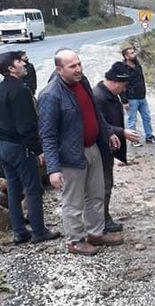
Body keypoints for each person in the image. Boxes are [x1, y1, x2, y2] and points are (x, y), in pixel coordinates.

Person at [38, 49, 123, 255]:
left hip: (92, 147)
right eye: (72, 66)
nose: (78, 69)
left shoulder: (82, 82)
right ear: (59, 69)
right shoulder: (50, 95)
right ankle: (75, 241)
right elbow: (47, 135)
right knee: (73, 202)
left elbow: (94, 111)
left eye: (79, 64)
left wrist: (108, 132)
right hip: (70, 156)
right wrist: (53, 169)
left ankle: (95, 233)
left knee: (96, 195)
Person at [0, 50, 60, 244]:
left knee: (14, 188)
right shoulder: (21, 90)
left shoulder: (1, 89)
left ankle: (19, 231)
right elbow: (26, 125)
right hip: (20, 146)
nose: (24, 64)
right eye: (19, 61)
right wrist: (38, 150)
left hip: (4, 146)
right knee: (33, 189)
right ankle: (39, 231)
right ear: (11, 68)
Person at [94, 63, 140, 233]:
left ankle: (102, 218)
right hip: (100, 149)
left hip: (108, 147)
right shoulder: (98, 97)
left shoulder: (110, 95)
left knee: (106, 184)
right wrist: (122, 132)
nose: (124, 89)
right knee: (102, 186)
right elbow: (99, 125)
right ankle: (101, 222)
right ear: (114, 81)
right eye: (123, 85)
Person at [121, 45, 155, 146]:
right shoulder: (123, 69)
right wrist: (124, 101)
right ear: (126, 56)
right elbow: (121, 86)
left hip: (142, 97)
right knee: (132, 120)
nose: (134, 54)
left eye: (134, 52)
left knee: (146, 117)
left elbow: (142, 80)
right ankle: (134, 140)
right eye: (131, 53)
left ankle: (149, 136)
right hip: (131, 98)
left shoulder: (138, 66)